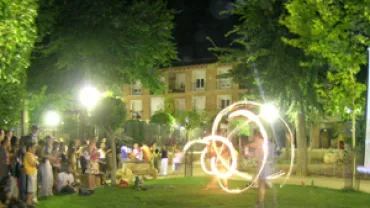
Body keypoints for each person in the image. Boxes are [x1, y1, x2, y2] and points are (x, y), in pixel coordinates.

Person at [247, 131, 276, 208]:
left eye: (254, 137)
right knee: (261, 184)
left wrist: (247, 147)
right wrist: (249, 153)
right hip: (264, 165)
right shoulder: (264, 144)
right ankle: (262, 200)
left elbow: (254, 148)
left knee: (261, 185)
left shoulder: (259, 143)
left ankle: (261, 202)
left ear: (257, 136)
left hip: (263, 166)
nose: (253, 138)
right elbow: (255, 154)